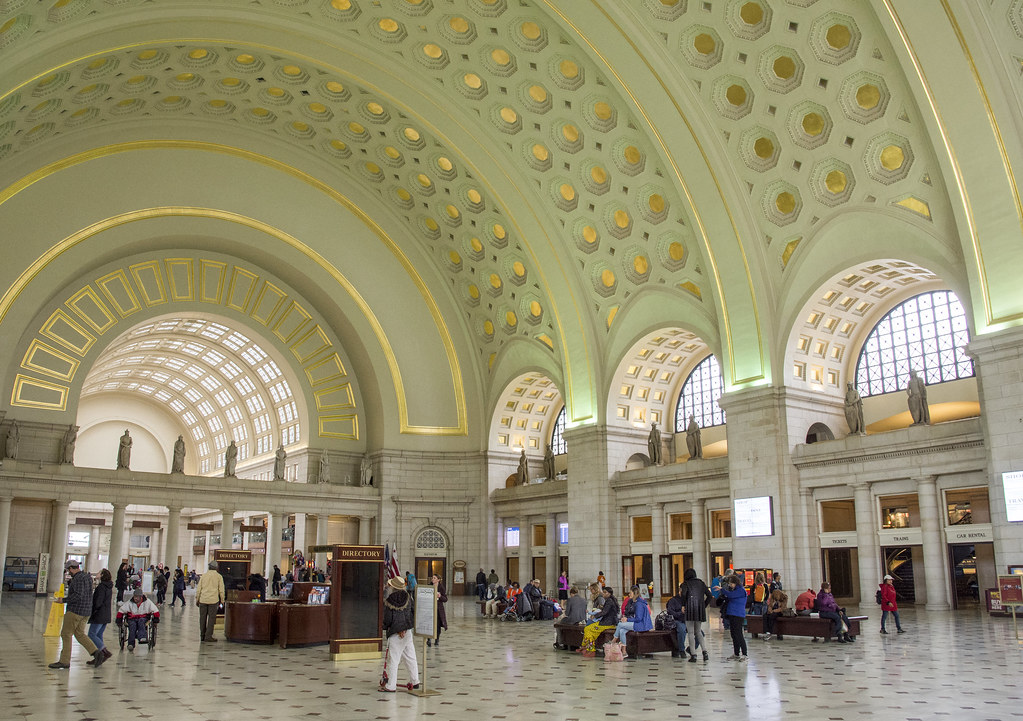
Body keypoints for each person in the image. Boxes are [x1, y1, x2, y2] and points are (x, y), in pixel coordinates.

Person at [49, 559, 107, 669]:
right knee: (79, 634)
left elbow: (78, 595)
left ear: (71, 568)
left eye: (68, 570)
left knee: (66, 634)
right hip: (86, 611)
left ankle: (64, 661)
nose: (68, 572)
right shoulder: (87, 577)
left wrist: (63, 600)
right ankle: (96, 653)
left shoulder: (78, 579)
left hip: (76, 611)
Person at [381, 576, 419, 693]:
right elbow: (412, 613)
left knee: (394, 660)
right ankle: (415, 681)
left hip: (395, 633)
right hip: (407, 632)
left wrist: (386, 627)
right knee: (411, 656)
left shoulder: (389, 601)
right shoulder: (408, 598)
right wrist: (406, 627)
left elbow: (387, 618)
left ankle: (391, 686)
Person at [680, 567, 713, 662]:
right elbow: (709, 596)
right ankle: (704, 652)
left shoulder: (685, 584)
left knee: (690, 632)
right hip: (699, 609)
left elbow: (683, 595)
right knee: (698, 631)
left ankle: (693, 654)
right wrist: (704, 605)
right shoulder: (701, 583)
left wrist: (683, 605)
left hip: (689, 608)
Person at [580, 586, 619, 655]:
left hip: (608, 623)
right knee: (587, 628)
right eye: (603, 592)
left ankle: (591, 649)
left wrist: (595, 615)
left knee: (589, 629)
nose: (603, 594)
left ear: (609, 593)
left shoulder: (609, 601)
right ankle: (586, 646)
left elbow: (605, 612)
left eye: (605, 592)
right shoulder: (611, 600)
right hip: (607, 622)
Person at [86, 568, 113, 665]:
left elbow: (98, 601)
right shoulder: (108, 586)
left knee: (92, 634)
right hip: (105, 614)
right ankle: (99, 656)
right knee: (98, 635)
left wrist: (93, 610)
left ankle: (104, 652)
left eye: (99, 572)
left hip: (99, 614)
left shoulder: (101, 587)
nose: (97, 573)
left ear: (102, 575)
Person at [720, 574, 748, 661]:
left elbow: (731, 596)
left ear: (736, 583)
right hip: (732, 613)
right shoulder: (733, 590)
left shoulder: (741, 590)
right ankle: (736, 653)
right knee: (733, 634)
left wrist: (722, 590)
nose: (730, 585)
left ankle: (745, 654)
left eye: (731, 583)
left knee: (739, 634)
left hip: (738, 614)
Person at [196, 560, 225, 642]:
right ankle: (208, 636)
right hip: (213, 600)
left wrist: (197, 599)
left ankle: (202, 635)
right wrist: (222, 600)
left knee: (202, 618)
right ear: (216, 568)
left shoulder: (204, 576)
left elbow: (199, 589)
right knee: (211, 619)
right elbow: (221, 590)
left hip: (203, 599)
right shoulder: (219, 576)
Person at [664, 583, 687, 659]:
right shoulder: (673, 600)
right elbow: (670, 612)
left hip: (687, 620)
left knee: (700, 633)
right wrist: (681, 613)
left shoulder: (687, 600)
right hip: (677, 620)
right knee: (681, 629)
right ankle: (681, 649)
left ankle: (690, 649)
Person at [427, 573, 447, 646]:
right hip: (430, 608)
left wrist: (440, 596)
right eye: (432, 578)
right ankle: (429, 639)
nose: (433, 579)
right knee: (429, 624)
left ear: (438, 580)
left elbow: (445, 599)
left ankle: (437, 639)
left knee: (437, 625)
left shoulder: (441, 587)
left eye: (434, 578)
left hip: (438, 609)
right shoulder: (429, 586)